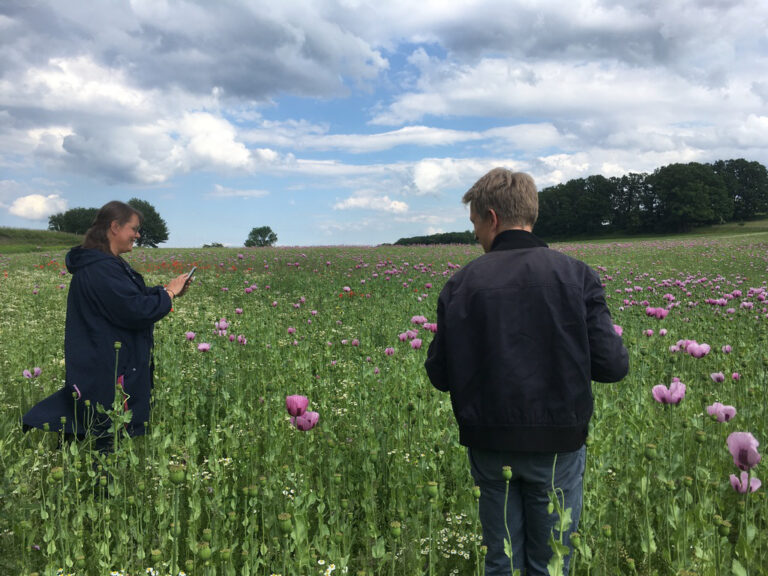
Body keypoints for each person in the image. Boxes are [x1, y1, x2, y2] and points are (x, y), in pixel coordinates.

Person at [424, 168, 629, 575]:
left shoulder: (461, 284)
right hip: (557, 445)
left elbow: (440, 375)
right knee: (551, 559)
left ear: (492, 217)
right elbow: (612, 366)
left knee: (501, 559)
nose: (476, 236)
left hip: (488, 442)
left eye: (475, 225)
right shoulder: (576, 275)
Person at [22, 200, 192, 451]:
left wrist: (166, 291)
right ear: (114, 227)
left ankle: (70, 459)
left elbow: (130, 296)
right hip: (107, 361)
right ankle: (97, 484)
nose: (138, 235)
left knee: (89, 416)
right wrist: (168, 296)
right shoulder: (101, 268)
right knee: (105, 427)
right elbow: (135, 311)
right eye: (133, 229)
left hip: (100, 357)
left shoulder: (105, 263)